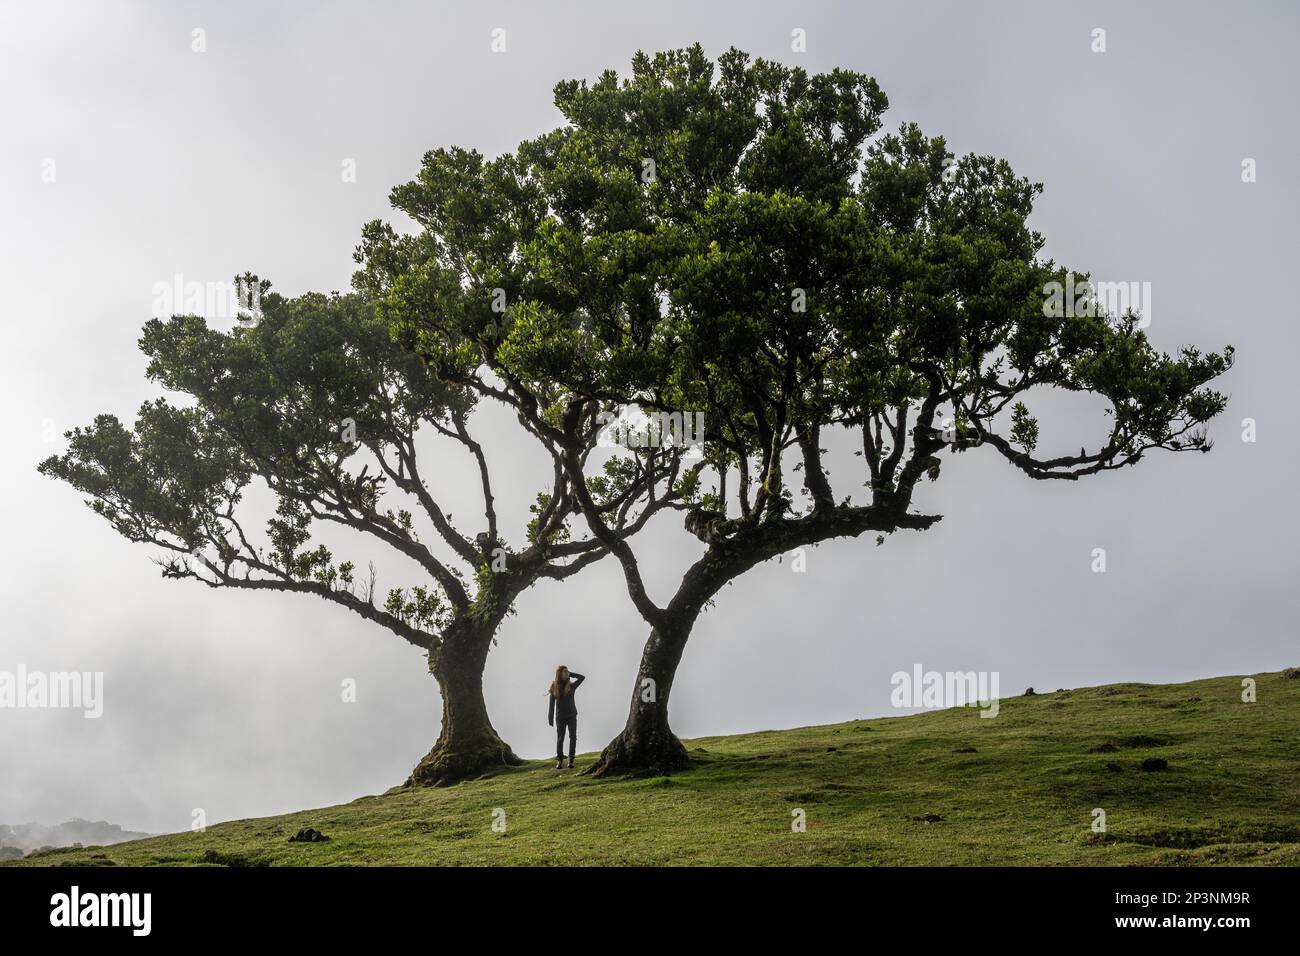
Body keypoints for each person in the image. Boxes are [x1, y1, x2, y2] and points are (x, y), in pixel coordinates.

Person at [547, 665, 585, 769]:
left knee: (573, 737)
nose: (567, 673)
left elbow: (582, 677)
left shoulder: (572, 686)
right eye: (565, 671)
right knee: (560, 738)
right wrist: (550, 719)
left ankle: (571, 760)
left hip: (572, 715)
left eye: (567, 671)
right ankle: (560, 761)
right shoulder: (555, 687)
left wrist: (571, 674)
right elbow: (551, 705)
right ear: (559, 674)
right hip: (560, 717)